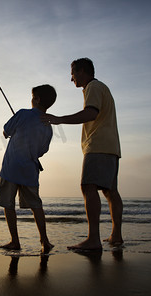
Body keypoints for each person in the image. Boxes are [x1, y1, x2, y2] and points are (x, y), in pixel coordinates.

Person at [42, 58, 123, 251]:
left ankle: (93, 239)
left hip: (98, 146)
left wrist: (59, 119)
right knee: (110, 191)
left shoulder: (93, 87)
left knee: (88, 186)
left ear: (82, 71)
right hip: (111, 147)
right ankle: (116, 236)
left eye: (73, 73)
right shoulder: (102, 88)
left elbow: (90, 114)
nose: (71, 79)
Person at [0, 84, 56, 254]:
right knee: (36, 205)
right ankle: (45, 241)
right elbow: (42, 151)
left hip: (11, 167)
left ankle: (15, 241)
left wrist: (10, 132)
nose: (31, 100)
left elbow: (6, 131)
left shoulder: (22, 114)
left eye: (32, 97)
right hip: (30, 170)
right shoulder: (48, 126)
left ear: (36, 99)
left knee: (9, 204)